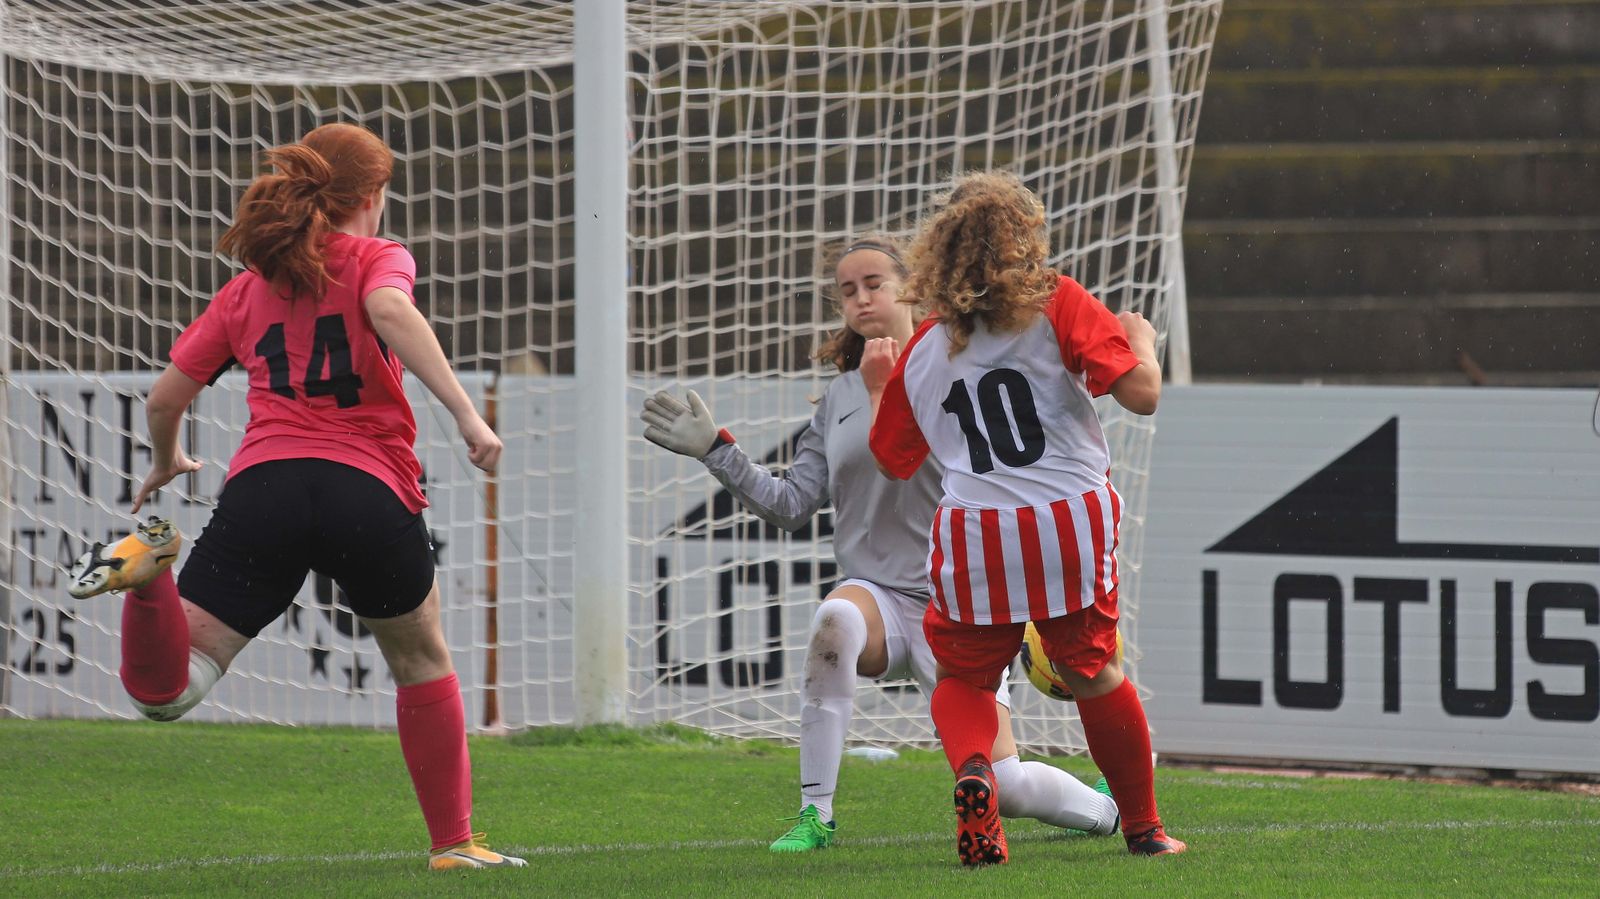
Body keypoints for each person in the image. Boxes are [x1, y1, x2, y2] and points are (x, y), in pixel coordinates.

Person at [65, 123, 524, 872]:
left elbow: (162, 397)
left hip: (265, 489)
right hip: (367, 491)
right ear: (372, 196)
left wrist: (165, 459)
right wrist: (468, 414)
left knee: (166, 694)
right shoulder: (379, 256)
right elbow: (389, 310)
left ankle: (147, 577)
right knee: (420, 660)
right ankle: (452, 844)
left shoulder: (248, 286)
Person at [639, 234, 1119, 854]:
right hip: (881, 597)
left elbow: (960, 471)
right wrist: (717, 453)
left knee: (1006, 789)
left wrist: (886, 390)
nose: (860, 299)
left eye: (874, 284)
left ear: (912, 290)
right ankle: (817, 816)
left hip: (963, 604)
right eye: (847, 290)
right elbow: (789, 504)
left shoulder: (951, 367)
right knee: (835, 619)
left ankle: (1107, 809)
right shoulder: (837, 396)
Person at [864, 171, 1185, 865]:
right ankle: (1145, 829)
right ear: (1022, 241)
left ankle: (977, 769)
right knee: (1094, 670)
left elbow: (892, 459)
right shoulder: (1057, 301)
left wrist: (882, 392)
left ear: (939, 254)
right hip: (1068, 518)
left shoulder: (924, 346)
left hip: (976, 527)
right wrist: (1141, 338)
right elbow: (1143, 395)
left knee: (965, 680)